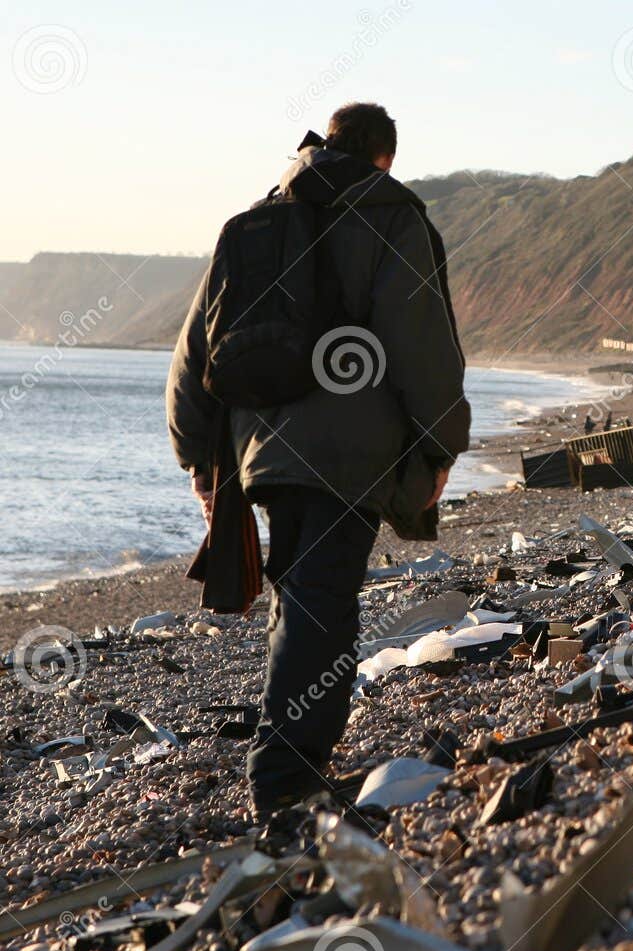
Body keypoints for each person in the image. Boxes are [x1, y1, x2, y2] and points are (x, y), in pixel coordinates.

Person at [167, 102, 470, 820]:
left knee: (302, 600)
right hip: (348, 453)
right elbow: (421, 341)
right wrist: (439, 444)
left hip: (261, 453)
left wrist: (197, 459)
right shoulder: (392, 217)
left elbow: (193, 353)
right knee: (323, 608)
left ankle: (291, 765)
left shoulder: (253, 222)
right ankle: (283, 779)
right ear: (384, 158)